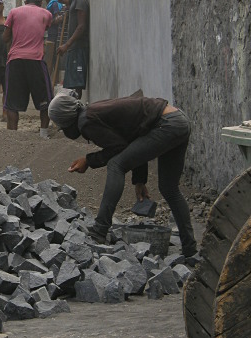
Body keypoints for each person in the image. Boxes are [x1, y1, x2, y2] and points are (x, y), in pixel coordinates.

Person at [48, 91, 198, 261]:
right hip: (177, 120)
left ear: (66, 120)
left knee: (115, 165)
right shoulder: (92, 112)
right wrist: (139, 181)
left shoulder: (85, 121)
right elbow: (134, 138)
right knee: (169, 188)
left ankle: (99, 230)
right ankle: (190, 250)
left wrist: (88, 161)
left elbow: (118, 148)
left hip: (166, 124)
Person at [3, 0, 53, 137]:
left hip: (15, 61)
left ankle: (12, 136)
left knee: (12, 104)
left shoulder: (14, 12)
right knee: (46, 101)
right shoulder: (46, 14)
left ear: (25, 1)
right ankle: (43, 134)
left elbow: (5, 38)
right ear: (40, 3)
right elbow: (45, 27)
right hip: (36, 61)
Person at [57, 0, 89, 99]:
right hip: (73, 47)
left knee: (77, 85)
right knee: (72, 84)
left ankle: (76, 112)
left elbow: (81, 27)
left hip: (78, 47)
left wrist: (66, 45)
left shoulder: (81, 0)